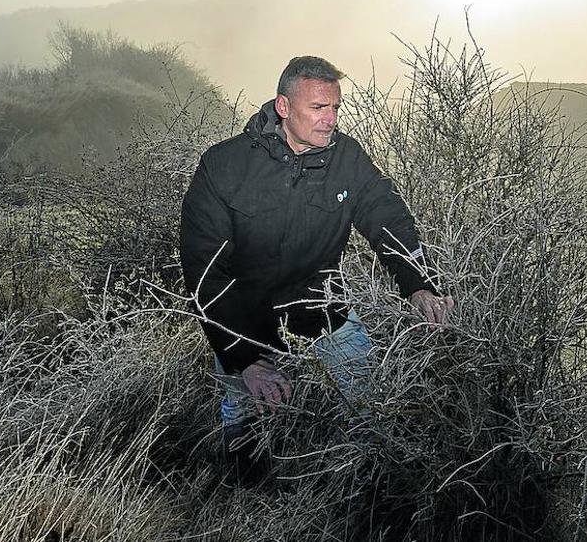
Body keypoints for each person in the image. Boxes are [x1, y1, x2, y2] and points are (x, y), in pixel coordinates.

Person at [179, 55, 454, 481]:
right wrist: (245, 358)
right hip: (242, 317)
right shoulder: (223, 166)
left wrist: (419, 284)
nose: (330, 120)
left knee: (370, 405)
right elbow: (205, 270)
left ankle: (366, 491)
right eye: (318, 108)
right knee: (242, 416)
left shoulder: (346, 158)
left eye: (336, 108)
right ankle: (241, 493)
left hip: (321, 305)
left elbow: (387, 217)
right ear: (283, 107)